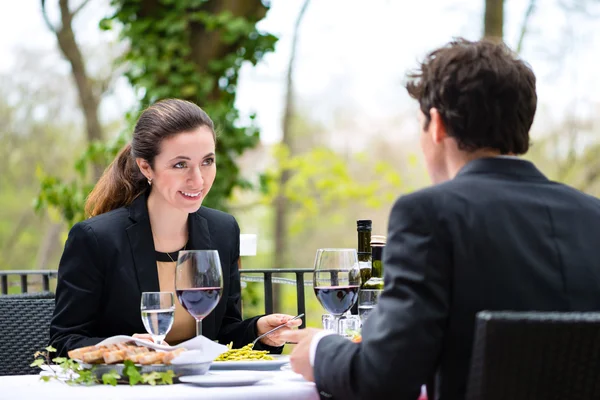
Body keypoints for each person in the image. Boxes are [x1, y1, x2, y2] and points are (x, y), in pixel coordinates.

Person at [282, 38, 600, 400]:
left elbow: (383, 378)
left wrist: (321, 350)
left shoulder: (429, 215)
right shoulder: (594, 216)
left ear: (436, 125)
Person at [50, 99, 300, 356]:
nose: (198, 179)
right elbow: (63, 342)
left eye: (207, 161)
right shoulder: (96, 239)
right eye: (180, 164)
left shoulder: (222, 230)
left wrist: (258, 330)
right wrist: (125, 349)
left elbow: (222, 332)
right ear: (147, 167)